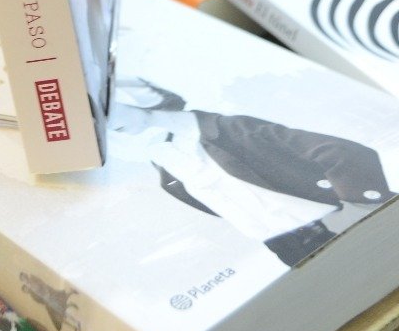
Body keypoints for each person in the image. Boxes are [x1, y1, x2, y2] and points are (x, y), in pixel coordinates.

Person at [112, 77, 394, 266]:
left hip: (353, 228)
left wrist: (355, 207)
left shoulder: (229, 129)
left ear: (137, 97)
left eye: (106, 112)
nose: (106, 126)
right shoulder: (167, 167)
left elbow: (340, 151)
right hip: (301, 254)